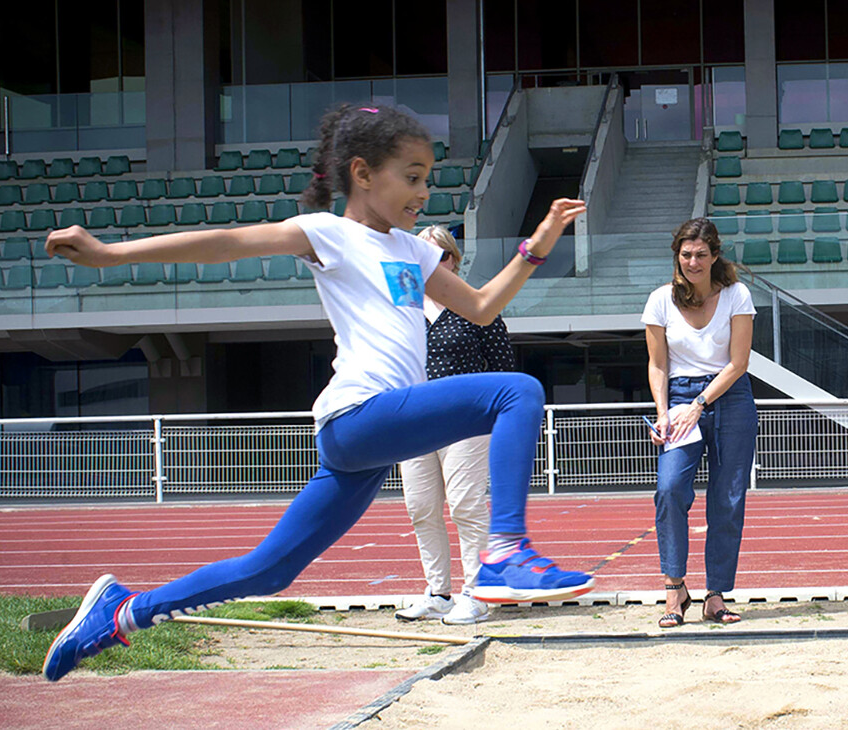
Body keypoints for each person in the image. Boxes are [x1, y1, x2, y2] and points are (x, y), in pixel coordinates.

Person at [40, 104, 594, 682]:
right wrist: (109, 255)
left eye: (427, 177)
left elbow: (481, 308)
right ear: (362, 173)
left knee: (270, 570)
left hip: (367, 441)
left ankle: (122, 612)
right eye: (411, 177)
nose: (424, 191)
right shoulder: (329, 233)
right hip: (359, 413)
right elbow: (225, 243)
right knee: (518, 392)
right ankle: (504, 550)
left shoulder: (414, 251)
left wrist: (541, 240)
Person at [394, 225, 516, 626]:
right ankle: (438, 593)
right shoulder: (402, 310)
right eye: (420, 256)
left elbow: (502, 369)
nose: (429, 264)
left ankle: (477, 594)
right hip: (413, 422)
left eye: (438, 256)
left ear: (453, 260)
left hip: (466, 421)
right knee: (421, 508)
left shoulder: (477, 307)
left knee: (466, 505)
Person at [642, 218, 758, 628]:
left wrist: (701, 402)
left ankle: (715, 594)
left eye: (701, 254)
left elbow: (739, 363)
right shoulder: (659, 301)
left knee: (727, 500)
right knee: (669, 488)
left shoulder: (736, 295)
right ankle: (675, 589)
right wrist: (663, 412)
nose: (693, 261)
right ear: (677, 255)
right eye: (686, 254)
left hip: (731, 398)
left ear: (714, 256)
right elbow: (658, 365)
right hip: (678, 398)